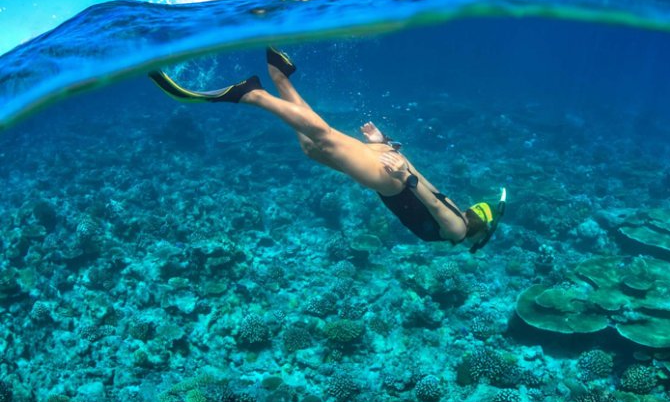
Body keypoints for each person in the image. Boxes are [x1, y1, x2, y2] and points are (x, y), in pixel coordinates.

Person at [149, 48, 505, 252]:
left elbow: (431, 198)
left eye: (484, 210)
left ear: (482, 224)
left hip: (393, 177)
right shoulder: (458, 222)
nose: (478, 206)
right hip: (390, 180)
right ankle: (251, 94)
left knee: (313, 149)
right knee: (324, 137)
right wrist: (397, 164)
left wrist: (394, 160)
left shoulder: (458, 229)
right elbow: (428, 193)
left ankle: (279, 76)